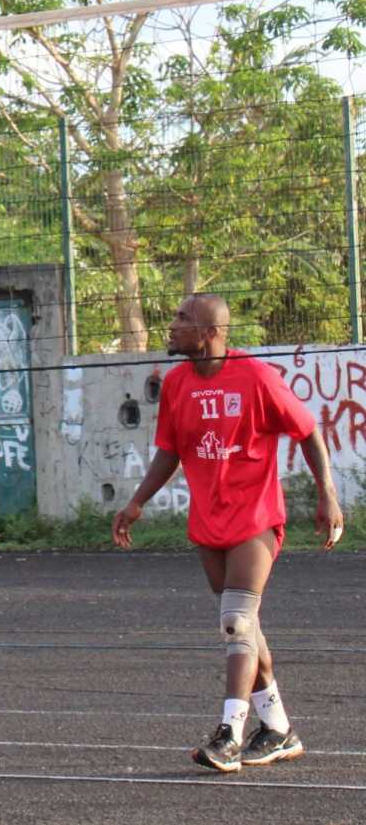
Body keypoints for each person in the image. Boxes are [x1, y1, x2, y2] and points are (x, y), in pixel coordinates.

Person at [114, 293, 343, 773]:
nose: (172, 325)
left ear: (210, 333)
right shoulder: (177, 384)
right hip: (208, 522)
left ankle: (229, 734)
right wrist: (137, 503)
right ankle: (278, 728)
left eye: (182, 319)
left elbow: (307, 431)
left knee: (236, 622)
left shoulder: (257, 377)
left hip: (256, 519)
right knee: (244, 625)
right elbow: (170, 451)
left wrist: (327, 493)